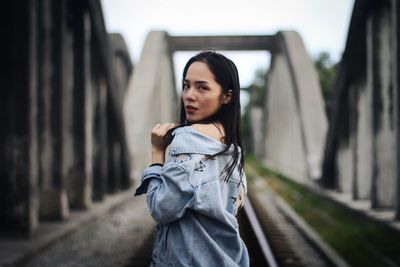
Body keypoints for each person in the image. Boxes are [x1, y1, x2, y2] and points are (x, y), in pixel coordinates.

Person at [135, 50, 249, 267]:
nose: (189, 95)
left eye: (202, 87)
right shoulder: (232, 148)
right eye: (186, 85)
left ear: (227, 96)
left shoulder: (188, 138)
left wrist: (157, 153)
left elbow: (161, 208)